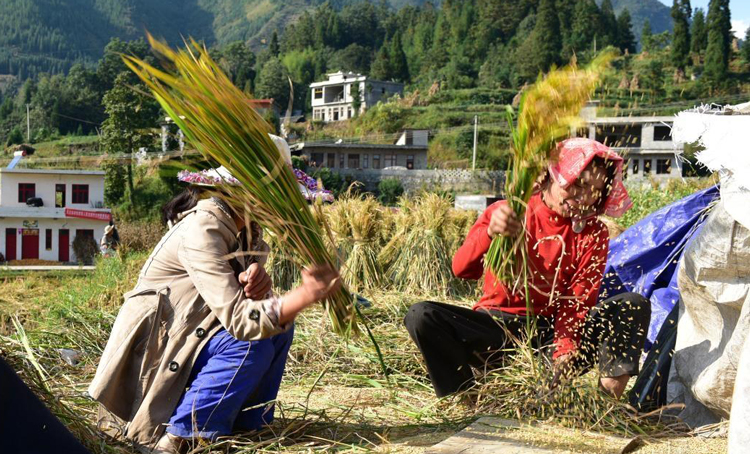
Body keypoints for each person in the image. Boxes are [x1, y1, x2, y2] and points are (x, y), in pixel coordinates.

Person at [89, 136, 341, 453]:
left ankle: (247, 427)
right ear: (242, 191)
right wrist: (305, 295)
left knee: (280, 331)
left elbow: (252, 312)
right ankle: (180, 438)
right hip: (155, 359)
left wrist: (257, 288)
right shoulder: (203, 230)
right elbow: (240, 323)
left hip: (194, 341)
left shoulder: (248, 234)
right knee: (251, 344)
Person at [404, 138, 651, 400]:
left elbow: (577, 300)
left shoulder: (593, 233)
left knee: (631, 305)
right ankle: (465, 397)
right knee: (422, 315)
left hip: (547, 336)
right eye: (576, 184)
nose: (582, 197)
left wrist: (564, 349)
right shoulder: (509, 212)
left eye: (594, 190)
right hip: (494, 330)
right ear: (553, 175)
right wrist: (490, 232)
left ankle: (605, 405)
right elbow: (462, 269)